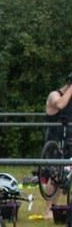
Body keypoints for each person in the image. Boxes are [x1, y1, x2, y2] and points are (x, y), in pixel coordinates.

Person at [43, 73, 72, 218]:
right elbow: (60, 104)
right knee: (55, 176)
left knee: (65, 176)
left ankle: (57, 208)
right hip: (55, 139)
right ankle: (48, 209)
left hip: (69, 138)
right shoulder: (55, 95)